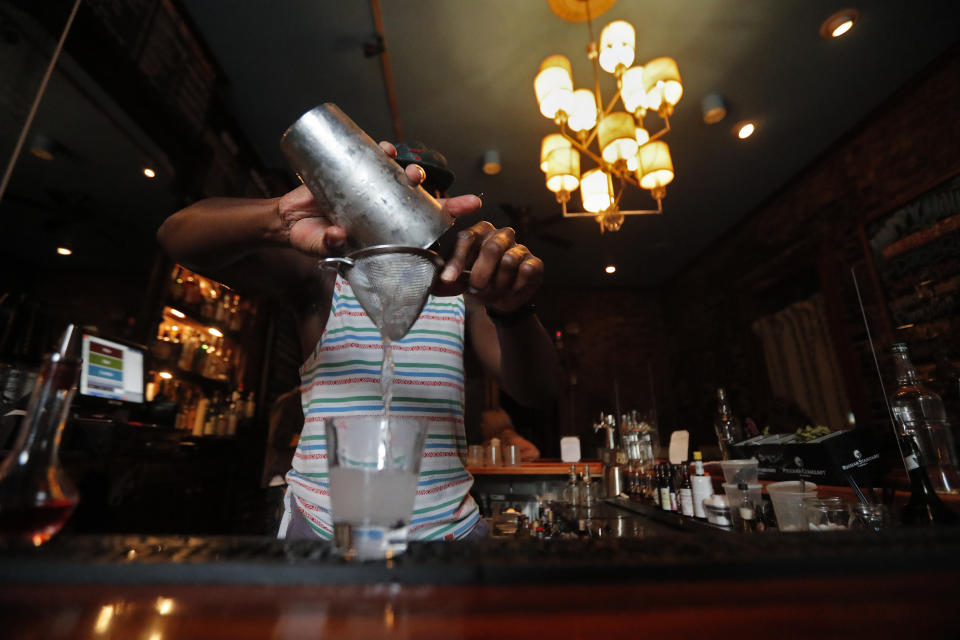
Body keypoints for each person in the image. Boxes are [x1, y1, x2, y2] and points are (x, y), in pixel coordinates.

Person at [157, 140, 562, 541]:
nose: (408, 209)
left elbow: (537, 392)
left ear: (444, 212)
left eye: (427, 196)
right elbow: (177, 237)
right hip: (324, 529)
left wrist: (513, 309)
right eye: (393, 193)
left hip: (447, 532)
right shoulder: (322, 278)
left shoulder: (464, 294)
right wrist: (280, 216)